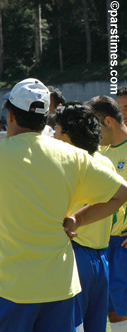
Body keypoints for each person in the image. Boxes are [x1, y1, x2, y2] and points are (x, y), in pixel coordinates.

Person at [0, 78, 127, 332]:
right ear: (45, 118)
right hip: (60, 287)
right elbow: (120, 193)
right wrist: (78, 219)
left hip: (7, 286)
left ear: (10, 115)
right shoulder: (74, 155)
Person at [53, 102, 114, 332]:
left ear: (68, 134)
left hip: (75, 257)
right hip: (101, 257)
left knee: (71, 326)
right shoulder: (104, 161)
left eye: (57, 128)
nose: (54, 134)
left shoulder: (67, 163)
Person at [89, 95, 127, 332]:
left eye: (95, 124)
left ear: (109, 122)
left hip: (123, 244)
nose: (93, 131)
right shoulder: (101, 152)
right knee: (112, 309)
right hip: (104, 243)